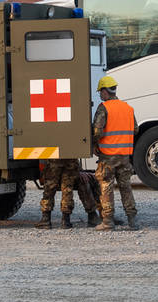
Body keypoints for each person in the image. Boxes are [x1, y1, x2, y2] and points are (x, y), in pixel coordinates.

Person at [93, 76, 139, 231]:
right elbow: (135, 129)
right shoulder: (128, 108)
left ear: (106, 91)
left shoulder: (104, 108)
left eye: (101, 91)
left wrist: (94, 144)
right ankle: (132, 221)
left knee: (106, 187)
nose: (100, 95)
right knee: (126, 187)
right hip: (124, 156)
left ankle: (108, 221)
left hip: (108, 156)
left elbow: (97, 131)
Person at [35, 159, 100, 229]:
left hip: (54, 159)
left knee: (49, 188)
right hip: (70, 159)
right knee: (67, 189)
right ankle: (66, 221)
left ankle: (46, 219)